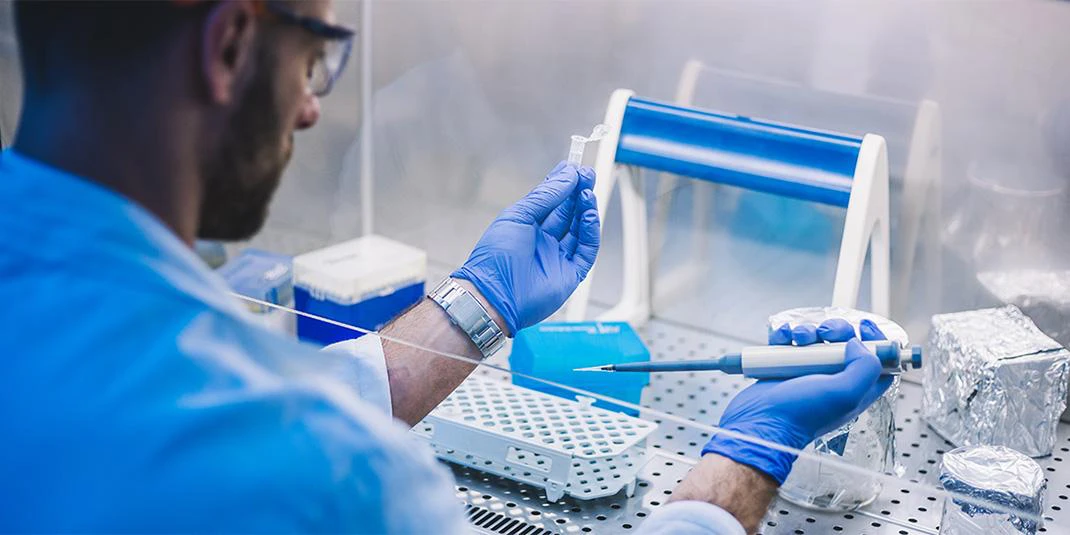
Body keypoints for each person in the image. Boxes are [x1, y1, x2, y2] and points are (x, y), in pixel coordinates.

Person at [0, 1, 890, 533]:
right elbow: (266, 435)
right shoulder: (335, 482)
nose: (311, 109)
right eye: (315, 59)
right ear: (229, 43)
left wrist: (474, 307)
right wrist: (746, 454)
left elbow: (203, 400)